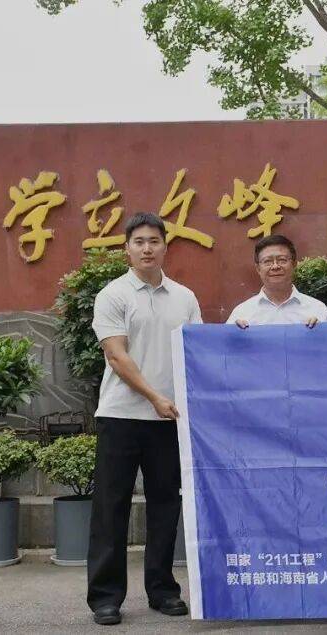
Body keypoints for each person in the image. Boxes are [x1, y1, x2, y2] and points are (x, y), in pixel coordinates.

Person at [86, 213, 202, 626]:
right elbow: (117, 356)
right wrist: (154, 396)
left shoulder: (184, 298)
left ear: (166, 246)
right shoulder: (113, 295)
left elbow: (197, 353)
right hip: (121, 416)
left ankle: (163, 590)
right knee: (110, 508)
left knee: (165, 506)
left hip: (168, 419)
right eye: (139, 242)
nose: (147, 248)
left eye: (154, 241)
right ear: (127, 249)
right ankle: (105, 597)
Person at [227, 234, 327, 328]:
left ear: (294, 264)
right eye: (267, 261)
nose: (275, 266)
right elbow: (225, 344)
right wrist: (234, 334)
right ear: (258, 268)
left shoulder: (317, 310)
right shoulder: (242, 313)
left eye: (282, 260)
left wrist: (322, 333)